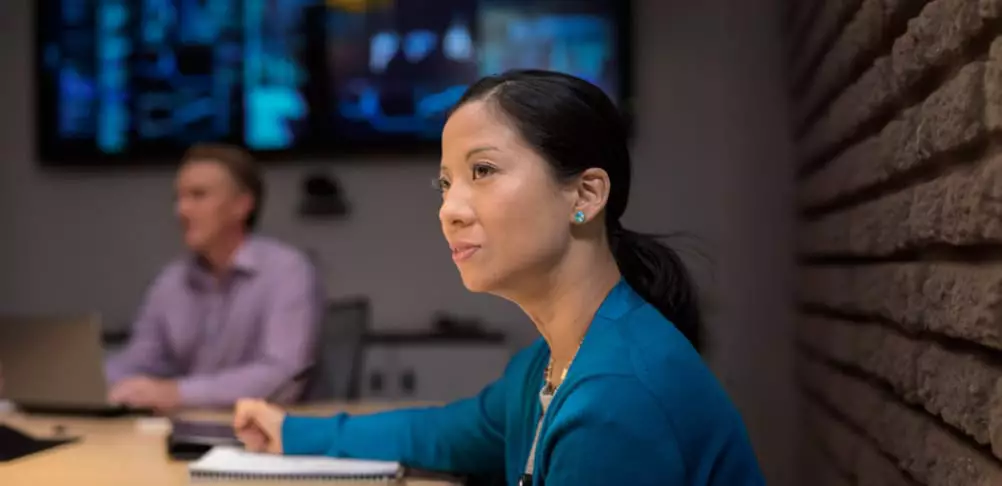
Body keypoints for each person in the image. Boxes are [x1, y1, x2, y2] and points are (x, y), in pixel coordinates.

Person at [234, 70, 764, 485]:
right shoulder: (548, 364)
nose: (449, 210)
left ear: (585, 195)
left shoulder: (614, 400)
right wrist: (290, 429)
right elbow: (442, 434)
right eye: (445, 183)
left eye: (482, 171)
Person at [105, 143, 323, 413]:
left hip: (266, 439)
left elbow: (281, 376)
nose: (181, 210)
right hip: (187, 433)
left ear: (241, 205)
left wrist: (177, 393)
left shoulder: (287, 270)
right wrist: (91, 385)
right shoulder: (171, 281)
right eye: (179, 197)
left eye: (198, 196)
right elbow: (139, 360)